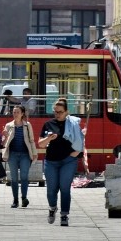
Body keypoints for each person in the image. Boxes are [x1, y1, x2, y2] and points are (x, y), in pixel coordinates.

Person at [39, 97, 84, 227]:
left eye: (60, 112)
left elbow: (80, 140)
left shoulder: (73, 124)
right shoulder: (48, 124)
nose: (57, 114)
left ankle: (64, 215)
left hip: (68, 160)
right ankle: (52, 208)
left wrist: (75, 153)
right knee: (51, 189)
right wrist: (48, 139)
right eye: (55, 112)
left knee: (65, 188)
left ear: (66, 112)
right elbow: (41, 144)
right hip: (51, 161)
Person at [2, 104, 37, 208]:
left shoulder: (27, 125)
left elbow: (31, 140)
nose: (15, 114)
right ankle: (15, 200)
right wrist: (5, 136)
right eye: (14, 112)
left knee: (24, 177)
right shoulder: (8, 126)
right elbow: (4, 143)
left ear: (22, 114)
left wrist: (34, 153)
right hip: (12, 154)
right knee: (13, 178)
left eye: (17, 112)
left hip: (25, 155)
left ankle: (24, 198)